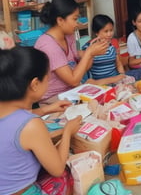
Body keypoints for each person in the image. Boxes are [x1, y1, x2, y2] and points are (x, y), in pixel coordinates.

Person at [0, 46, 81, 194]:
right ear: (35, 84)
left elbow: (12, 122)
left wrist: (45, 109)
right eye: (48, 79)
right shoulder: (31, 125)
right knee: (67, 173)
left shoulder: (7, 108)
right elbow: (57, 169)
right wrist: (68, 132)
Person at [34, 0, 108, 103]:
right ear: (60, 20)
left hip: (71, 92)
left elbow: (82, 69)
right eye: (74, 19)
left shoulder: (68, 36)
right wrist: (89, 53)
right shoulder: (48, 45)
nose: (77, 23)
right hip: (52, 100)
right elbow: (73, 80)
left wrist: (92, 53)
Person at [82, 14, 127, 85]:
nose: (109, 34)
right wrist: (91, 53)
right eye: (106, 31)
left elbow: (118, 64)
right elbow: (85, 69)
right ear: (97, 32)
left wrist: (122, 76)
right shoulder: (88, 48)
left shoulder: (112, 46)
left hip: (115, 81)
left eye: (111, 30)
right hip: (99, 83)